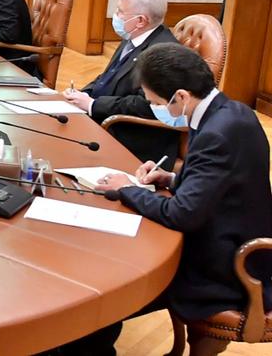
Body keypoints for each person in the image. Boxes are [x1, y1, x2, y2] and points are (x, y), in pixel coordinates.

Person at [95, 44, 272, 343]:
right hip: (232, 240)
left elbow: (182, 214)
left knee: (109, 291)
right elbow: (222, 183)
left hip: (223, 272)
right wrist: (171, 178)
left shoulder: (216, 133)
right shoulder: (233, 112)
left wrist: (125, 189)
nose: (156, 109)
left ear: (180, 96)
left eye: (156, 102)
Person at [63, 0, 179, 165]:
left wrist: (93, 105)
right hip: (106, 116)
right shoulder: (133, 36)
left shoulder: (163, 54)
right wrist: (81, 95)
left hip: (131, 134)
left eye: (120, 11)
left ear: (141, 21)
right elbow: (107, 77)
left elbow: (144, 105)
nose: (115, 16)